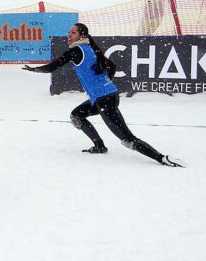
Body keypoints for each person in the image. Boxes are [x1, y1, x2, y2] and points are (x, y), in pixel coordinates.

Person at [22, 23, 184, 167]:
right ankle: (99, 146)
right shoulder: (90, 48)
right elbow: (111, 67)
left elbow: (53, 67)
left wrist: (35, 69)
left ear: (82, 35)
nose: (69, 35)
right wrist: (104, 81)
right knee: (76, 116)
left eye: (73, 33)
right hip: (105, 96)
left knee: (127, 140)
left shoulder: (76, 51)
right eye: (68, 32)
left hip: (105, 99)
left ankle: (162, 158)